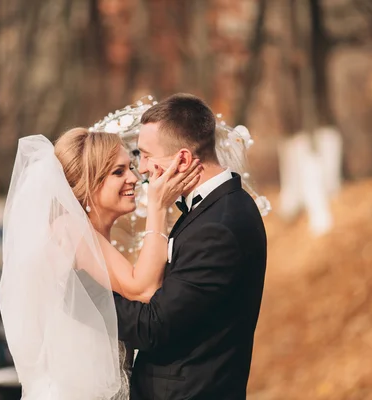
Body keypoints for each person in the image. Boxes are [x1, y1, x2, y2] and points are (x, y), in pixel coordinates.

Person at [0, 126, 201, 399]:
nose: (133, 177)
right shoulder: (67, 229)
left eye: (130, 167)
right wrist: (158, 207)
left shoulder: (91, 239)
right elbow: (143, 290)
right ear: (87, 185)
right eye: (118, 172)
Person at [114, 93, 268, 399]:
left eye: (145, 155)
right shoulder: (215, 209)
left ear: (182, 159)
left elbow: (152, 326)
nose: (141, 168)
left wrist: (88, 296)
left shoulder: (218, 227)